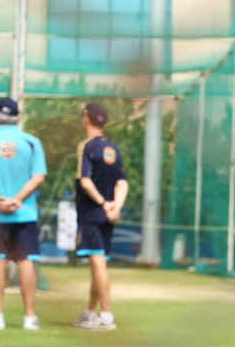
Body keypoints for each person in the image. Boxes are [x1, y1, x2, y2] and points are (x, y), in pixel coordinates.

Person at [0, 98, 47, 330]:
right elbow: (38, 177)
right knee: (25, 260)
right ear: (18, 117)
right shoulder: (32, 143)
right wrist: (17, 199)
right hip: (24, 213)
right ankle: (30, 317)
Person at [73, 102, 128, 331]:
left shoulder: (86, 147)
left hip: (92, 213)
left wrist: (104, 203)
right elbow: (122, 183)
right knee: (99, 263)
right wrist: (115, 207)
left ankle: (106, 315)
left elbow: (85, 181)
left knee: (97, 263)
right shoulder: (112, 148)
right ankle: (89, 312)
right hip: (107, 216)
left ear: (86, 119)